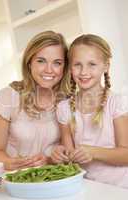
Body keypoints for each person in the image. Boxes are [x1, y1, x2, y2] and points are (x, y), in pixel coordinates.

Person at [51, 34, 128, 188]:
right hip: (85, 186)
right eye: (77, 64)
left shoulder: (117, 103)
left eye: (92, 64)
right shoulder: (64, 108)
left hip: (120, 187)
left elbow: (126, 154)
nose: (83, 72)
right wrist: (61, 154)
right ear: (70, 68)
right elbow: (69, 156)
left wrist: (93, 152)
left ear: (105, 66)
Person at [0, 30, 68, 170]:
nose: (49, 70)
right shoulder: (7, 97)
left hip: (53, 178)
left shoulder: (66, 101)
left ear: (64, 67)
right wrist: (12, 163)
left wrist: (50, 160)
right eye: (41, 61)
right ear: (29, 63)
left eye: (57, 63)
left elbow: (67, 152)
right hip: (15, 179)